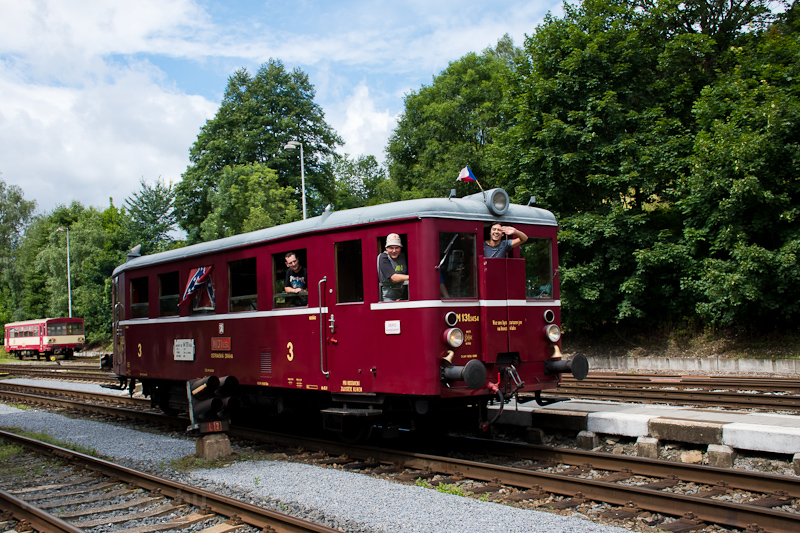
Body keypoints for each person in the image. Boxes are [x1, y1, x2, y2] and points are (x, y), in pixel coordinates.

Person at [378, 233, 409, 301]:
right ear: (386, 248)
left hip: (402, 296)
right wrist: (413, 277)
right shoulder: (383, 257)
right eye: (391, 248)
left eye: (397, 248)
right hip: (387, 298)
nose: (394, 251)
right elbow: (394, 278)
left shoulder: (403, 256)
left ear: (400, 248)